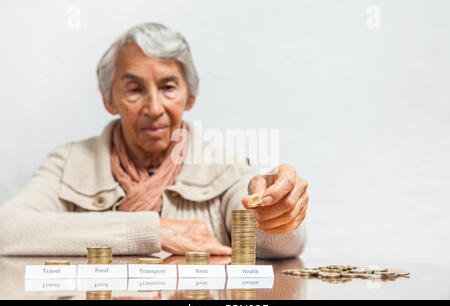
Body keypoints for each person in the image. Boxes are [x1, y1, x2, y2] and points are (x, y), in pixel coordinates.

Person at [0, 22, 309, 258]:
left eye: (168, 87)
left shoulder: (223, 166)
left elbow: (282, 246)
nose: (154, 108)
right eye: (134, 90)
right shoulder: (70, 163)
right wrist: (152, 231)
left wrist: (278, 209)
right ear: (110, 100)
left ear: (190, 97)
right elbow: (7, 230)